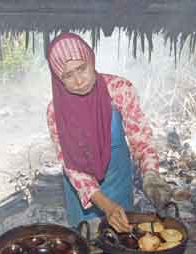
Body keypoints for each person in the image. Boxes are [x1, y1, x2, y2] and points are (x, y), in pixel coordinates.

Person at [46, 32, 171, 233]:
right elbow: (72, 167)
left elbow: (140, 139)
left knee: (124, 240)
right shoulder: (55, 111)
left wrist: (150, 174)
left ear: (90, 60)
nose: (79, 80)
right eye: (68, 75)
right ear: (58, 79)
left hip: (118, 180)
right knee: (87, 242)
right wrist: (105, 205)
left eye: (82, 68)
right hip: (83, 193)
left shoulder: (119, 89)